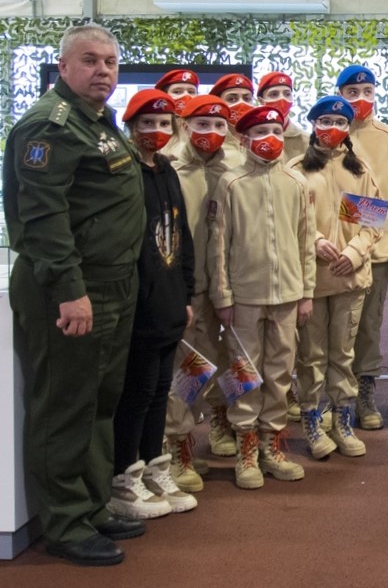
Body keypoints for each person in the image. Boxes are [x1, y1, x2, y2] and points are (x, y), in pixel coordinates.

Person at [3, 24, 146, 566]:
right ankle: (63, 523)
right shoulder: (50, 125)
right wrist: (69, 291)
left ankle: (89, 505)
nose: (103, 71)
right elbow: (42, 217)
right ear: (63, 67)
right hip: (72, 289)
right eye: (89, 60)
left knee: (99, 402)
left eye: (110, 62)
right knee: (64, 404)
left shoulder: (98, 122)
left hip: (113, 284)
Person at [208, 105, 317, 489]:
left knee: (280, 372)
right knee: (244, 370)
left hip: (287, 294)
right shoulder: (231, 183)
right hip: (245, 297)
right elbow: (218, 244)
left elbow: (305, 242)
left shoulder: (296, 182)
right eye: (259, 132)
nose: (269, 138)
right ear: (244, 139)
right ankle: (246, 448)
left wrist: (306, 292)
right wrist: (222, 295)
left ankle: (272, 446)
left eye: (274, 130)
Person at [108, 89, 197, 517]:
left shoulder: (167, 171)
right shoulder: (124, 172)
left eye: (164, 124)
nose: (156, 131)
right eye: (147, 124)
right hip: (139, 301)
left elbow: (181, 236)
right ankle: (124, 476)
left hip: (169, 298)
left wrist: (186, 291)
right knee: (138, 391)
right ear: (130, 127)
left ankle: (153, 467)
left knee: (162, 389)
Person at [293, 96, 382, 459]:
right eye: (326, 121)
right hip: (311, 280)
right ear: (314, 125)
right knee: (311, 356)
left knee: (343, 354)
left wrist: (354, 253)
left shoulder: (358, 171)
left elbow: (371, 224)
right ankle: (313, 422)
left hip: (350, 278)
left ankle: (343, 422)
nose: (333, 128)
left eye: (340, 122)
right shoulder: (297, 171)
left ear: (348, 128)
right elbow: (289, 221)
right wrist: (315, 241)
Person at [163, 95, 238, 492]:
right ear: (185, 125)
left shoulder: (234, 168)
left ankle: (211, 429)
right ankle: (176, 445)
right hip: (184, 289)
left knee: (215, 364)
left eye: (220, 125)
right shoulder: (169, 167)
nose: (211, 132)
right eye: (202, 124)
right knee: (184, 368)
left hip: (223, 287)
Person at [338, 64, 388, 431]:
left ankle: (364, 393)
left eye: (367, 91)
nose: (361, 99)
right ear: (339, 94)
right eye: (352, 93)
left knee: (368, 324)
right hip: (333, 248)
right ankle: (333, 395)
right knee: (330, 326)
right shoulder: (326, 134)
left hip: (376, 247)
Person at [256, 70, 310, 163]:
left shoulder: (306, 140)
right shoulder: (251, 137)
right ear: (261, 101)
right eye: (274, 94)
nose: (282, 99)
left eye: (287, 94)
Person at [208, 72, 254, 164]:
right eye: (232, 99)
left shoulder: (261, 139)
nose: (241, 104)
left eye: (247, 99)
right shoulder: (210, 144)